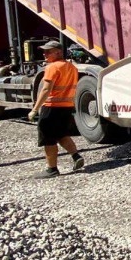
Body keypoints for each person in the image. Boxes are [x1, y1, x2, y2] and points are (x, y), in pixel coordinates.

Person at [28, 40, 84, 178]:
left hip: (52, 107)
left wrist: (35, 109)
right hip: (66, 106)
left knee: (48, 138)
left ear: (58, 52)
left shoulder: (52, 67)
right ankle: (76, 156)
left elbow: (46, 89)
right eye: (44, 51)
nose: (44, 54)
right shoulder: (72, 67)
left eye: (48, 51)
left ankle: (52, 169)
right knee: (61, 134)